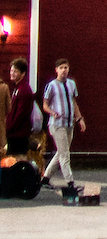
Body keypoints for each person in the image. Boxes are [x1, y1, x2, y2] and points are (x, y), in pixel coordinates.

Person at [39, 58, 81, 201]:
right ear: (56, 70)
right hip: (57, 124)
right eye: (61, 67)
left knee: (61, 152)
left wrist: (79, 118)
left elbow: (73, 102)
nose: (64, 70)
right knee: (65, 155)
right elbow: (45, 104)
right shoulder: (51, 86)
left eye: (66, 67)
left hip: (69, 123)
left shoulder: (71, 84)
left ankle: (45, 179)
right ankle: (70, 182)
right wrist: (51, 112)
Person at [3, 61, 31, 158]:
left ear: (23, 73)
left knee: (18, 159)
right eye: (11, 70)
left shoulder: (24, 90)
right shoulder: (17, 88)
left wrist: (10, 127)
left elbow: (20, 113)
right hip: (15, 132)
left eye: (15, 71)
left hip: (19, 133)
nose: (12, 73)